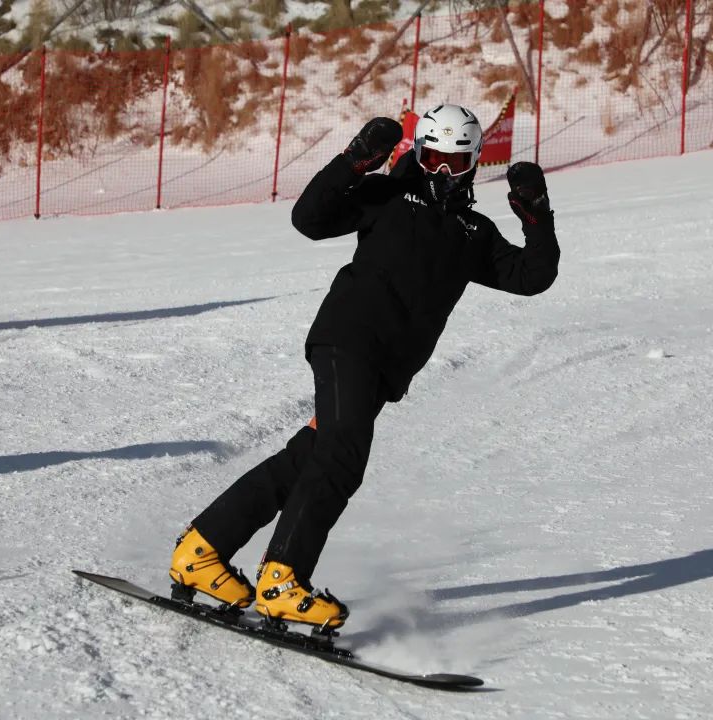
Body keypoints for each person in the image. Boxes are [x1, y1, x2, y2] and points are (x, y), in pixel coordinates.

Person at [169, 104, 560, 631]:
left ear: (472, 163)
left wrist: (536, 212)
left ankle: (202, 550)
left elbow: (533, 276)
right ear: (418, 153)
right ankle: (282, 580)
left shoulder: (474, 232)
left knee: (309, 456)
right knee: (342, 456)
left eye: (456, 160)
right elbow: (309, 219)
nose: (443, 171)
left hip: (386, 368)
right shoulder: (386, 197)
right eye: (434, 157)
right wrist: (355, 161)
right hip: (347, 340)